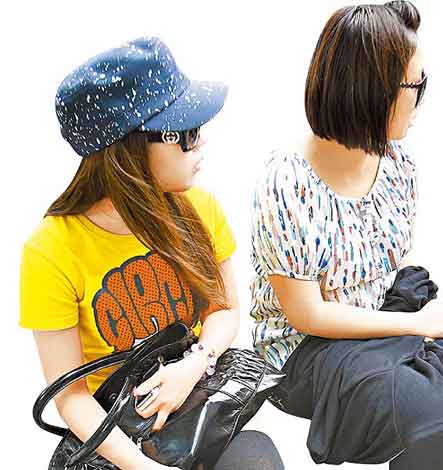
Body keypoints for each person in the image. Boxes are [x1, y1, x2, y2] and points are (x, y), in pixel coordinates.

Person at [249, 2, 443, 469]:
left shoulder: (398, 163)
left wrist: (410, 318)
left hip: (381, 311)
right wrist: (416, 324)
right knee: (435, 419)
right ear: (371, 90)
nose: (421, 98)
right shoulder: (287, 181)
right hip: (306, 346)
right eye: (416, 85)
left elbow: (389, 261)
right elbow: (307, 314)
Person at [19, 36, 284, 470]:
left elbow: (224, 310)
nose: (201, 144)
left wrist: (194, 365)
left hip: (193, 407)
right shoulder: (50, 251)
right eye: (187, 134)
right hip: (119, 438)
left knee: (257, 456)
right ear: (130, 150)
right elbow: (71, 397)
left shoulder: (201, 209)